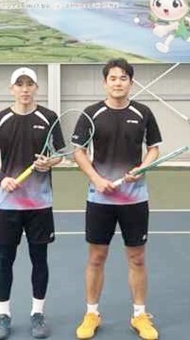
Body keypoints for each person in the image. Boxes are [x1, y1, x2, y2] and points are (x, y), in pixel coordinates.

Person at [72, 58, 162, 340]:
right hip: (100, 199)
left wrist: (142, 168)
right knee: (96, 257)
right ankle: (91, 313)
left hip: (135, 199)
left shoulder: (143, 112)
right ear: (105, 83)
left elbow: (154, 148)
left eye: (123, 78)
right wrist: (96, 179)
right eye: (113, 78)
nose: (118, 83)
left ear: (131, 83)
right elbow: (78, 151)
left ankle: (139, 315)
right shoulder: (91, 114)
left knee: (137, 258)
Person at [0, 67, 64, 340]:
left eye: (30, 84)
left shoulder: (49, 118)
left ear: (36, 88)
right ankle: (3, 315)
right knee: (5, 260)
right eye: (20, 84)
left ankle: (37, 313)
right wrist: (0, 177)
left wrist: (48, 162)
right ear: (11, 89)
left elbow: (60, 154)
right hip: (7, 205)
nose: (25, 89)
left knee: (39, 259)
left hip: (40, 204)